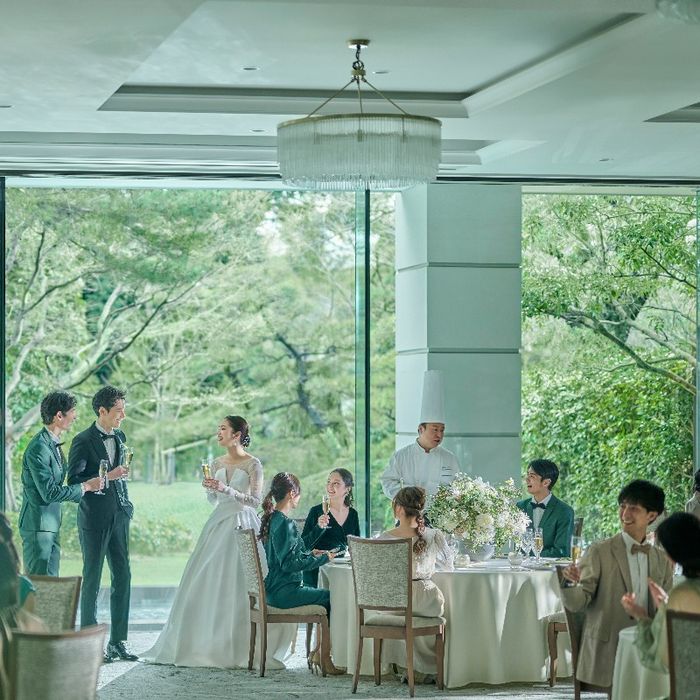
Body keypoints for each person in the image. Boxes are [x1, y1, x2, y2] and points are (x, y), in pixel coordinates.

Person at [143, 416, 295, 669]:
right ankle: (201, 643)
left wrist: (227, 490)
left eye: (223, 428)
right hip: (218, 523)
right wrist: (212, 489)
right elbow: (214, 500)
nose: (218, 433)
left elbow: (255, 501)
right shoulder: (216, 463)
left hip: (243, 523)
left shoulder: (253, 464)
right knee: (203, 579)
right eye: (218, 428)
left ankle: (242, 643)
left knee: (243, 580)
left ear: (237, 435)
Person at [560, 479, 673, 691]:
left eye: (634, 508)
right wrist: (569, 582)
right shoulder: (599, 551)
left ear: (652, 515)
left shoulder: (661, 559)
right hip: (608, 649)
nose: (625, 514)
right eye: (622, 506)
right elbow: (577, 604)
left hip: (650, 646)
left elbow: (666, 609)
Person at [67, 385, 134, 663]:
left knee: (123, 576)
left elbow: (120, 474)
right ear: (102, 411)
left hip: (120, 516)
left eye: (124, 410)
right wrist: (109, 476)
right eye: (118, 411)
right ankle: (89, 645)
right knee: (92, 578)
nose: (123, 416)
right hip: (94, 518)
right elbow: (74, 480)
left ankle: (117, 642)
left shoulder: (120, 436)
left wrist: (125, 504)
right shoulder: (82, 440)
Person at [260, 472, 341, 674]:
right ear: (291, 493)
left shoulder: (274, 518)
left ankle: (319, 653)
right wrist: (324, 558)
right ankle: (324, 657)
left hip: (273, 590)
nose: (299, 498)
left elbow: (296, 551)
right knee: (332, 598)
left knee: (327, 596)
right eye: (298, 493)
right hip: (284, 592)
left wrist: (317, 535)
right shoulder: (285, 523)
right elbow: (289, 564)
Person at [19, 391, 102, 575]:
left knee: (51, 585)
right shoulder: (39, 448)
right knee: (39, 584)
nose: (75, 416)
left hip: (51, 525)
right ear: (59, 415)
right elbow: (49, 492)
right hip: (38, 527)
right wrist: (86, 486)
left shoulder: (52, 443)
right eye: (72, 411)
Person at [379, 486, 453, 681]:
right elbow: (448, 565)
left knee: (398, 615)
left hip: (396, 601)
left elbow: (379, 574)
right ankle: (426, 668)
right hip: (428, 600)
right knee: (426, 615)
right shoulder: (434, 535)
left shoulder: (385, 537)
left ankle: (407, 667)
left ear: (399, 509)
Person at [621, 512, 700, 676]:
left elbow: (662, 658)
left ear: (672, 554)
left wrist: (641, 616)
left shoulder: (683, 594)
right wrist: (666, 605)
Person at [381, 371, 459, 502]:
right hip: (410, 512)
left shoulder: (449, 458)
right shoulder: (401, 456)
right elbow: (387, 482)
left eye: (442, 430)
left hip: (441, 514)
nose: (439, 434)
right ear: (421, 429)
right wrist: (409, 495)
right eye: (435, 429)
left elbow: (457, 486)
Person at [301, 468, 360, 587]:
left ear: (347, 488)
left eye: (336, 483)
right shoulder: (316, 512)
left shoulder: (353, 514)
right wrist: (319, 527)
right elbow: (303, 547)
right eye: (328, 482)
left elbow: (356, 547)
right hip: (316, 570)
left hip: (339, 569)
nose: (330, 486)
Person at [516, 459, 575, 557]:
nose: (527, 479)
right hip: (522, 565)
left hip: (550, 566)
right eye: (527, 474)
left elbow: (561, 551)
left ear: (546, 482)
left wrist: (534, 558)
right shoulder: (520, 507)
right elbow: (518, 547)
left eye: (532, 476)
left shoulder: (564, 511)